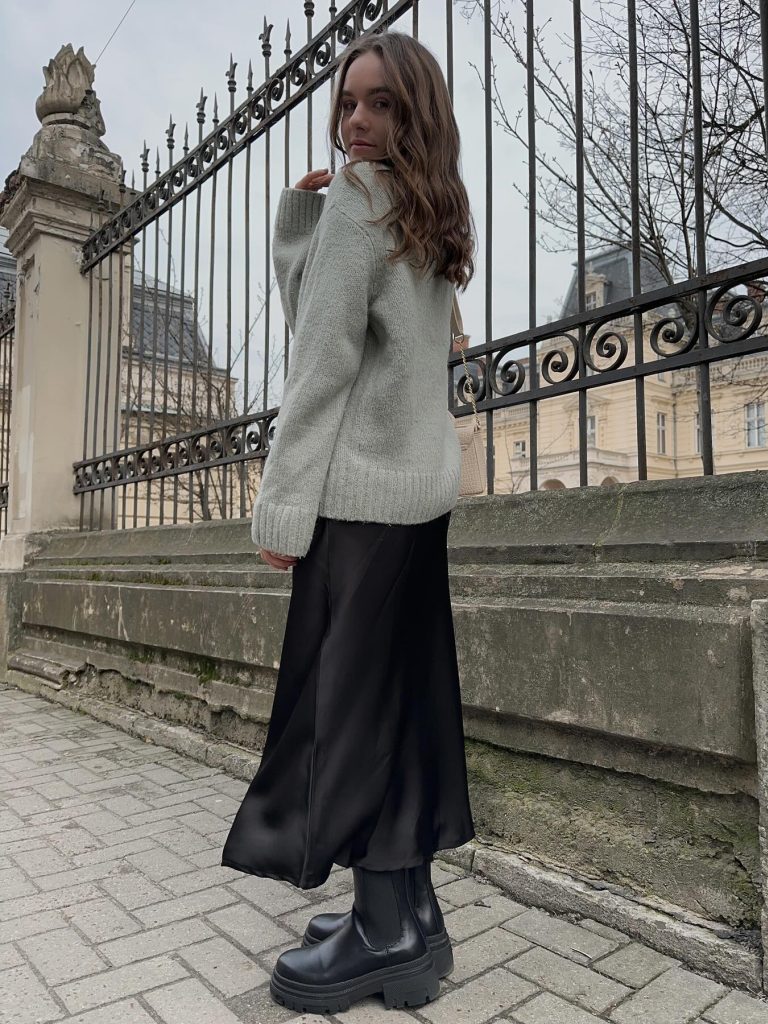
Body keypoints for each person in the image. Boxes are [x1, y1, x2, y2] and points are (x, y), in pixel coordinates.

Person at [221, 28, 477, 1015]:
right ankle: (412, 924)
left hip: (358, 508)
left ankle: (380, 930)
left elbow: (319, 365)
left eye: (380, 104)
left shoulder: (361, 203)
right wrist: (306, 220)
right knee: (402, 707)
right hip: (418, 505)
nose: (357, 121)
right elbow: (374, 335)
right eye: (348, 102)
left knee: (349, 717)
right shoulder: (431, 215)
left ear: (415, 114)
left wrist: (281, 505)